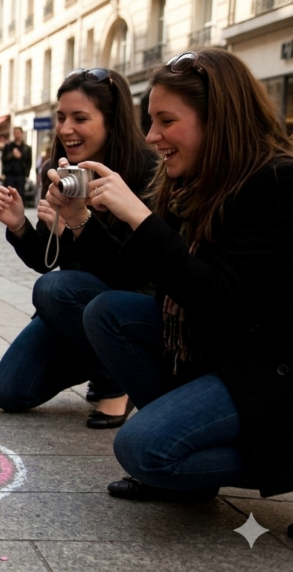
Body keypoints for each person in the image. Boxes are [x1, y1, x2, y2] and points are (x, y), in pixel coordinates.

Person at [64, 49, 293, 500]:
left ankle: (282, 456)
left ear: (219, 119)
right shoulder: (190, 182)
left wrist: (139, 217)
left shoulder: (278, 182)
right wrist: (78, 220)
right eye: (151, 122)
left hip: (267, 367)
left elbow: (219, 293)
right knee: (107, 310)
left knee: (143, 450)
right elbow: (126, 272)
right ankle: (191, 451)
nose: (152, 137)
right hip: (217, 351)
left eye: (167, 122)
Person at [0, 68, 158, 429]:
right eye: (61, 117)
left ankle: (116, 382)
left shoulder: (148, 169)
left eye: (80, 118)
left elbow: (132, 273)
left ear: (112, 122)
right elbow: (44, 259)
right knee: (9, 391)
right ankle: (98, 362)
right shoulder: (62, 167)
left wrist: (81, 224)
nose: (66, 129)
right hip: (73, 310)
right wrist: (20, 224)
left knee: (54, 288)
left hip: (129, 304)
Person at [1, 127, 32, 206]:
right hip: (10, 174)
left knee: (20, 193)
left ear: (22, 134)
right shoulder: (8, 146)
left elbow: (29, 162)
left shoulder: (26, 148)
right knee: (8, 193)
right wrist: (12, 155)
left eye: (18, 133)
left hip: (21, 174)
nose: (17, 135)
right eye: (15, 133)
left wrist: (20, 157)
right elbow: (3, 159)